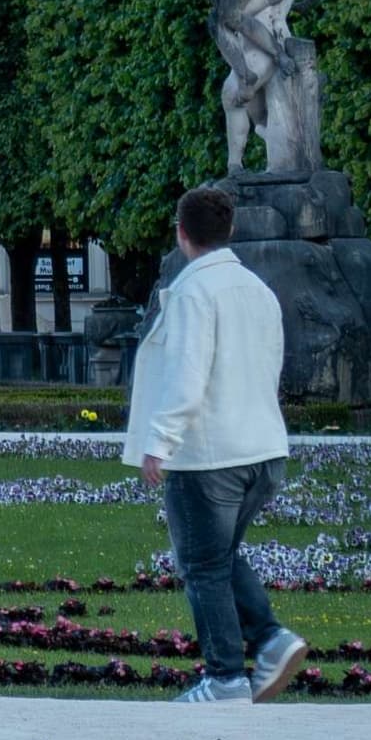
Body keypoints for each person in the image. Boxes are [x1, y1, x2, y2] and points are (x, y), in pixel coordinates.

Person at [131, 184, 305, 706]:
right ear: (228, 231)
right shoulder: (257, 289)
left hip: (210, 454)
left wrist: (159, 442)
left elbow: (186, 376)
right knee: (220, 556)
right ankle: (271, 641)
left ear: (181, 234)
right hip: (264, 450)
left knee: (202, 565)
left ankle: (227, 675)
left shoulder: (192, 291)